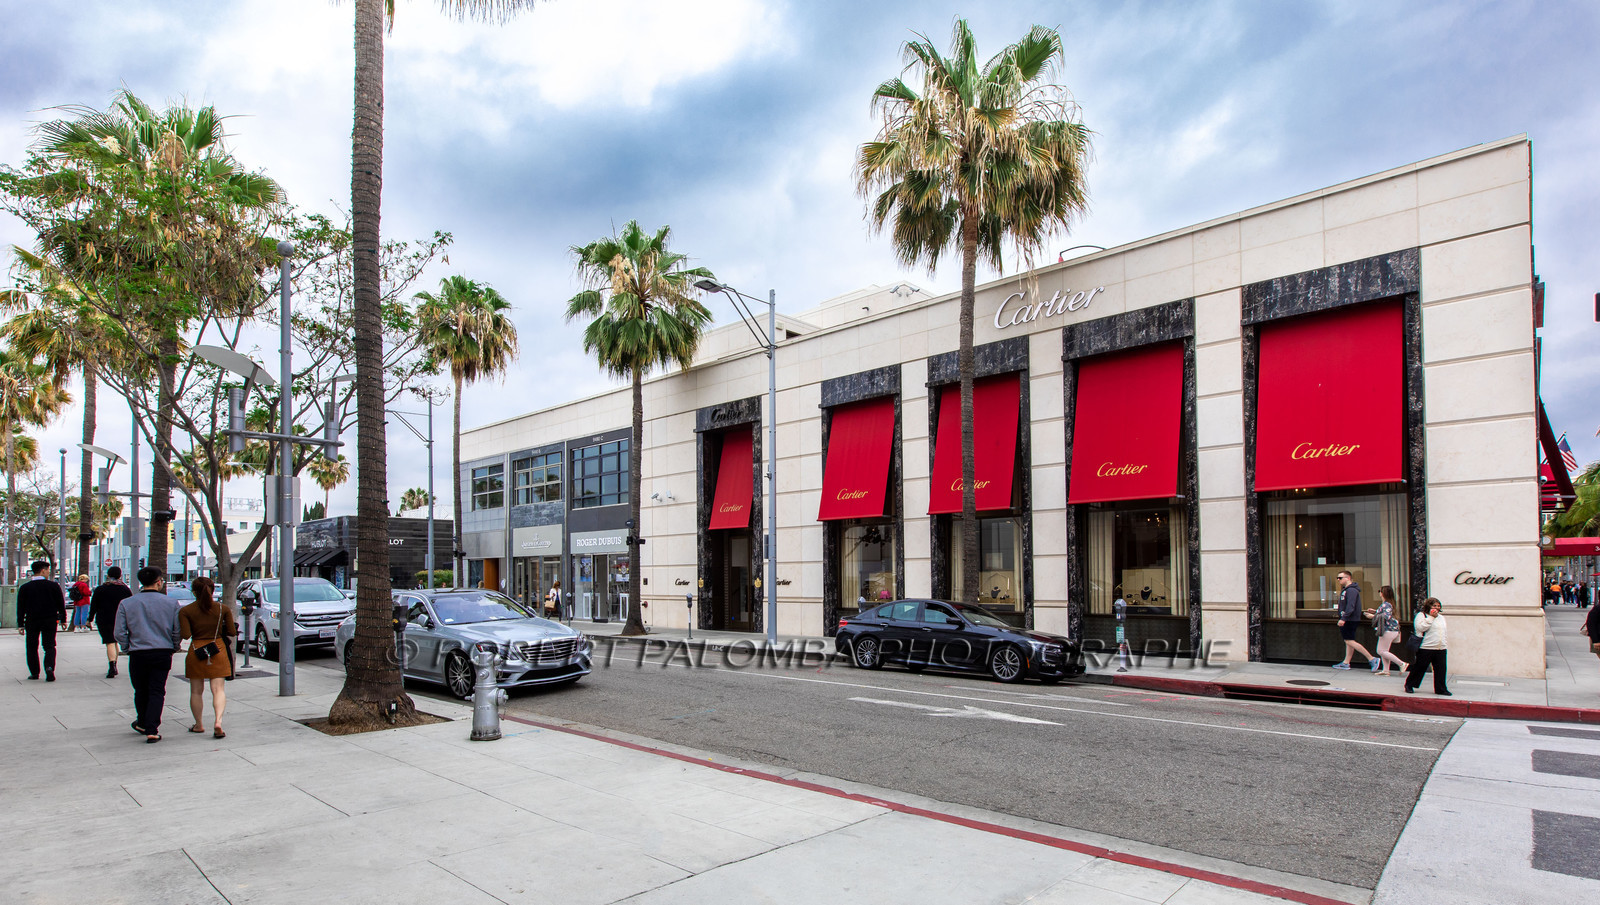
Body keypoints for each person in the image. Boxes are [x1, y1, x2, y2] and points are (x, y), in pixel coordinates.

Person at [113, 567, 182, 743]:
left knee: (140, 690)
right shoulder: (171, 603)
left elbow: (119, 632)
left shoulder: (126, 603)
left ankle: (143, 722)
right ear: (158, 581)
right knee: (157, 690)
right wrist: (174, 646)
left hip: (138, 653)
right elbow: (177, 630)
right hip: (162, 651)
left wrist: (127, 647)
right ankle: (152, 728)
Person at [179, 577, 235, 739]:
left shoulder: (186, 611)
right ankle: (218, 721)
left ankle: (199, 724)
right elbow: (231, 631)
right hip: (217, 649)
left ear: (193, 591)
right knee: (218, 690)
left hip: (197, 650)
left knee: (196, 691)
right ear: (212, 590)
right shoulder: (222, 609)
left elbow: (185, 634)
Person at [18, 560, 67, 681]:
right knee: (49, 645)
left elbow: (20, 607)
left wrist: (20, 624)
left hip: (32, 620)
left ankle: (34, 672)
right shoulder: (53, 586)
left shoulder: (25, 588)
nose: (48, 573)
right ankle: (49, 667)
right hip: (50, 620)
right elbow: (61, 604)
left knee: (31, 646)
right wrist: (63, 619)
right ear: (43, 570)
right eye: (47, 570)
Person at [89, 567, 134, 678]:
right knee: (115, 641)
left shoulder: (100, 589)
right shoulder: (125, 590)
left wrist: (89, 619)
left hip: (104, 619)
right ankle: (114, 664)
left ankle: (112, 666)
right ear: (120, 575)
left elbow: (93, 605)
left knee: (110, 642)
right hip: (121, 619)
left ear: (108, 575)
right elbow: (131, 605)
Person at [1405, 597, 1451, 696]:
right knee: (1420, 668)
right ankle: (1410, 684)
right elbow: (1420, 628)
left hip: (1440, 648)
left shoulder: (1441, 617)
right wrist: (1430, 618)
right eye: (1434, 606)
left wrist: (1444, 643)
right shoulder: (1421, 616)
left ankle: (1441, 689)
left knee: (1441, 669)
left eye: (1438, 606)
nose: (1437, 608)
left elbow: (1443, 631)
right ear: (1428, 606)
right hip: (1426, 647)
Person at [1332, 571, 1378, 670]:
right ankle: (1346, 662)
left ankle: (1371, 658)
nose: (1338, 580)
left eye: (1340, 578)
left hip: (1349, 619)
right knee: (1349, 641)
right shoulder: (1348, 590)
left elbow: (1350, 606)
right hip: (1349, 618)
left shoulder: (1351, 591)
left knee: (1349, 641)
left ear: (1348, 578)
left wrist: (1343, 618)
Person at [1365, 585, 1408, 676]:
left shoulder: (1386, 604)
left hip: (1388, 630)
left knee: (1380, 651)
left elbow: (1386, 616)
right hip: (1391, 630)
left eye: (1380, 591)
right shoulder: (1388, 604)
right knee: (1384, 651)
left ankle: (1401, 663)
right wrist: (1375, 611)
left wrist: (1373, 616)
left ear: (1383, 593)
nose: (1379, 593)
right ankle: (1386, 670)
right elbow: (1385, 614)